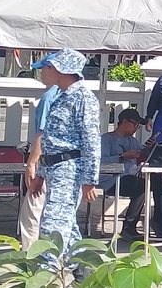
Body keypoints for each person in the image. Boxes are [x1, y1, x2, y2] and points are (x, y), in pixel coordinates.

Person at [36, 50, 102, 259]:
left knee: (53, 226)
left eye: (46, 68)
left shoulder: (83, 98)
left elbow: (91, 142)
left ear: (59, 69)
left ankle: (46, 278)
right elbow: (51, 140)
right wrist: (41, 173)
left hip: (69, 170)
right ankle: (84, 272)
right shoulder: (60, 96)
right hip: (54, 169)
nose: (42, 73)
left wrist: (89, 180)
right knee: (66, 227)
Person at [20, 59, 62, 248]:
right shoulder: (78, 96)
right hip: (65, 165)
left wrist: (32, 163)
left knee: (32, 213)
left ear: (53, 69)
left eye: (43, 69)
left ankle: (31, 258)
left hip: (45, 160)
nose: (41, 74)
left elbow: (42, 132)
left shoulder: (49, 97)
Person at [100, 108, 147, 241]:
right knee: (141, 187)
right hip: (110, 180)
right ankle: (128, 227)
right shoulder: (107, 139)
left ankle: (160, 223)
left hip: (128, 177)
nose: (137, 128)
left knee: (151, 183)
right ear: (124, 122)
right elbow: (100, 162)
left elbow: (143, 150)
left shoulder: (132, 141)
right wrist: (122, 156)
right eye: (135, 124)